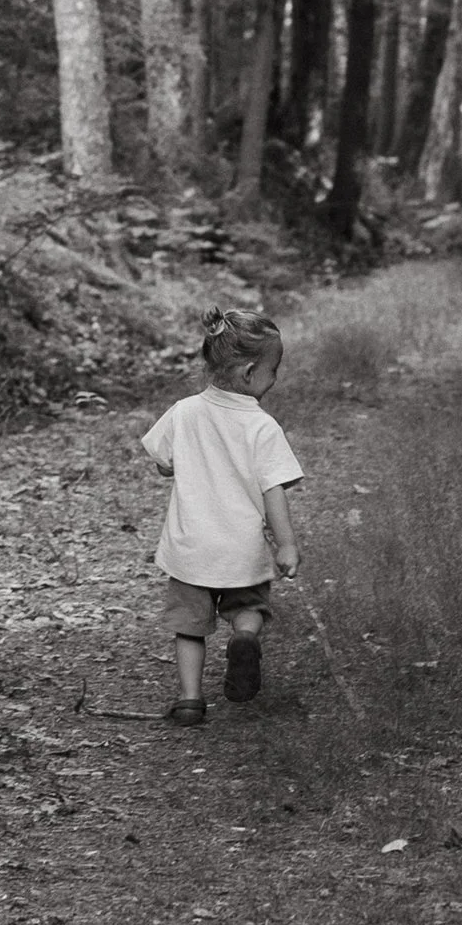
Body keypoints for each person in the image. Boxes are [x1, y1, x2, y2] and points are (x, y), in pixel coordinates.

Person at [141, 311, 303, 726]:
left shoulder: (184, 412)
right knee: (248, 607)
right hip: (241, 547)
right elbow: (274, 492)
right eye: (274, 370)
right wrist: (286, 544)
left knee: (190, 627)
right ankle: (245, 638)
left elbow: (163, 463)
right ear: (250, 372)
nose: (276, 379)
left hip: (191, 547)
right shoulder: (262, 427)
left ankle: (190, 700)